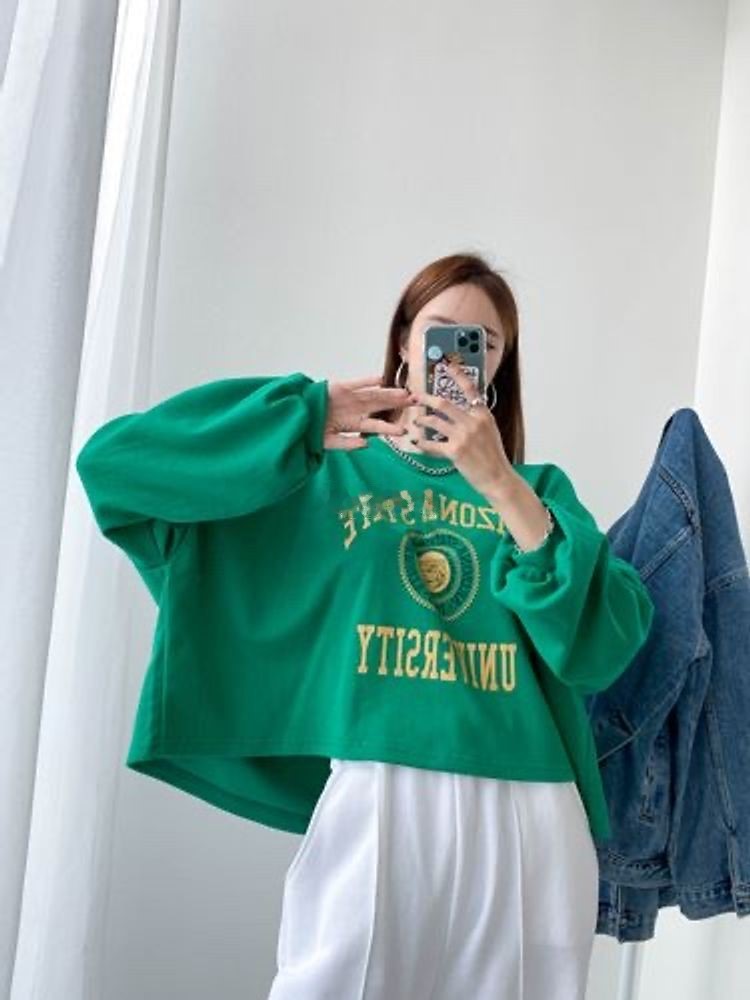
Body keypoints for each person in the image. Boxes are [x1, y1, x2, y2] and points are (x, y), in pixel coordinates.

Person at [76, 250, 654, 999]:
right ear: (405, 342)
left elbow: (603, 647)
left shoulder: (537, 494)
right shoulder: (325, 472)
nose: (458, 356)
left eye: (484, 343)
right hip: (379, 788)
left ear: (499, 367)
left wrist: (502, 485)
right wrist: (304, 413)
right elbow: (116, 466)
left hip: (530, 804)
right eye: (441, 331)